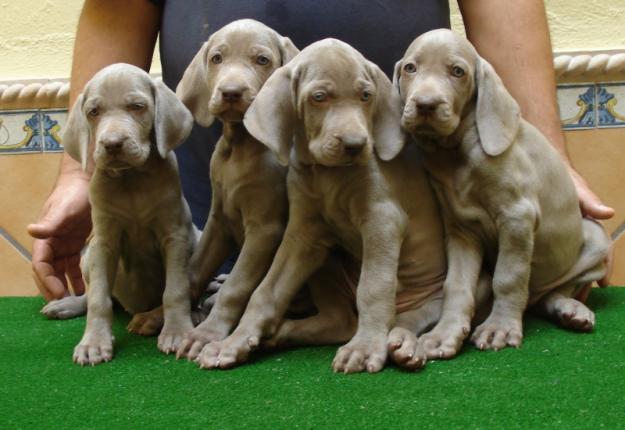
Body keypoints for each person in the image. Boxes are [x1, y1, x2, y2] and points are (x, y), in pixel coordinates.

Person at [28, 0, 614, 302]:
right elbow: (115, 6)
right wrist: (81, 173)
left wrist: (546, 161)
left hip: (399, 231)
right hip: (213, 236)